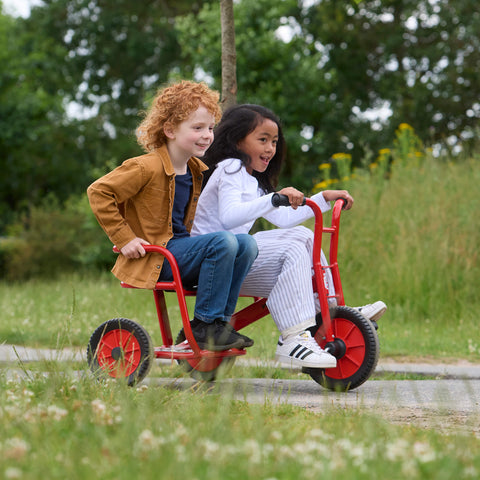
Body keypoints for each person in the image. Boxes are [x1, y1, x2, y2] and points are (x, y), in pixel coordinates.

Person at [191, 104, 387, 369]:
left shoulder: (251, 179)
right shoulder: (230, 168)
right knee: (291, 250)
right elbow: (229, 217)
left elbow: (283, 220)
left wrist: (322, 199)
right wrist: (273, 198)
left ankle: (331, 311)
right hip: (216, 264)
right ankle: (293, 336)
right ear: (238, 141)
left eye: (274, 141)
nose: (270, 148)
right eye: (262, 140)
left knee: (303, 236)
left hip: (237, 253)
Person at [87, 81, 258, 352]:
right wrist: (126, 238)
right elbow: (98, 192)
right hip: (157, 257)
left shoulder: (194, 170)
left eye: (210, 128)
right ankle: (205, 325)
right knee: (223, 241)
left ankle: (219, 324)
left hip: (181, 252)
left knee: (247, 244)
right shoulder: (146, 167)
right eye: (197, 128)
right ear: (169, 130)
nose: (207, 135)